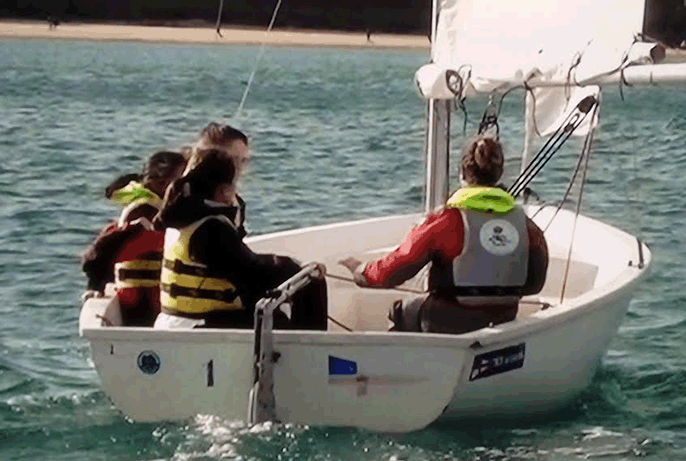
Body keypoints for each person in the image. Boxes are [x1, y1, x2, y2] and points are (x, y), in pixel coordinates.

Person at [340, 135, 548, 334]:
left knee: (401, 311)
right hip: (504, 319)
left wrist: (361, 271)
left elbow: (390, 274)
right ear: (499, 173)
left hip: (446, 321)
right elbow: (534, 285)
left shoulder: (446, 222)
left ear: (461, 174)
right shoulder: (528, 227)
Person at [153, 148, 328, 330]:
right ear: (223, 190)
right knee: (309, 283)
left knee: (276, 310)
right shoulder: (211, 228)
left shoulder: (180, 220)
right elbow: (254, 276)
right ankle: (314, 355)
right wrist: (299, 269)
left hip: (175, 322)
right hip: (201, 325)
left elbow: (240, 265)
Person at [81, 150, 187, 325]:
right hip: (141, 303)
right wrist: (95, 286)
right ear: (161, 184)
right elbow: (102, 253)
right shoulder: (142, 213)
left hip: (159, 298)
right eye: (180, 181)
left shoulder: (161, 209)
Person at [183, 122, 250, 237]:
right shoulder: (185, 199)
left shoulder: (236, 203)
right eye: (232, 159)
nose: (238, 167)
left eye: (242, 160)